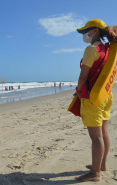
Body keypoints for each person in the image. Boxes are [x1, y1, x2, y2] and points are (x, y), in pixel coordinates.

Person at [75, 19, 117, 182]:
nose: (85, 34)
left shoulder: (91, 50)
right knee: (104, 132)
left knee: (96, 137)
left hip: (93, 97)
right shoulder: (108, 49)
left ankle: (95, 174)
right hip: (106, 95)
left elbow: (82, 77)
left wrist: (78, 91)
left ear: (96, 31)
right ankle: (102, 165)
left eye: (87, 31)